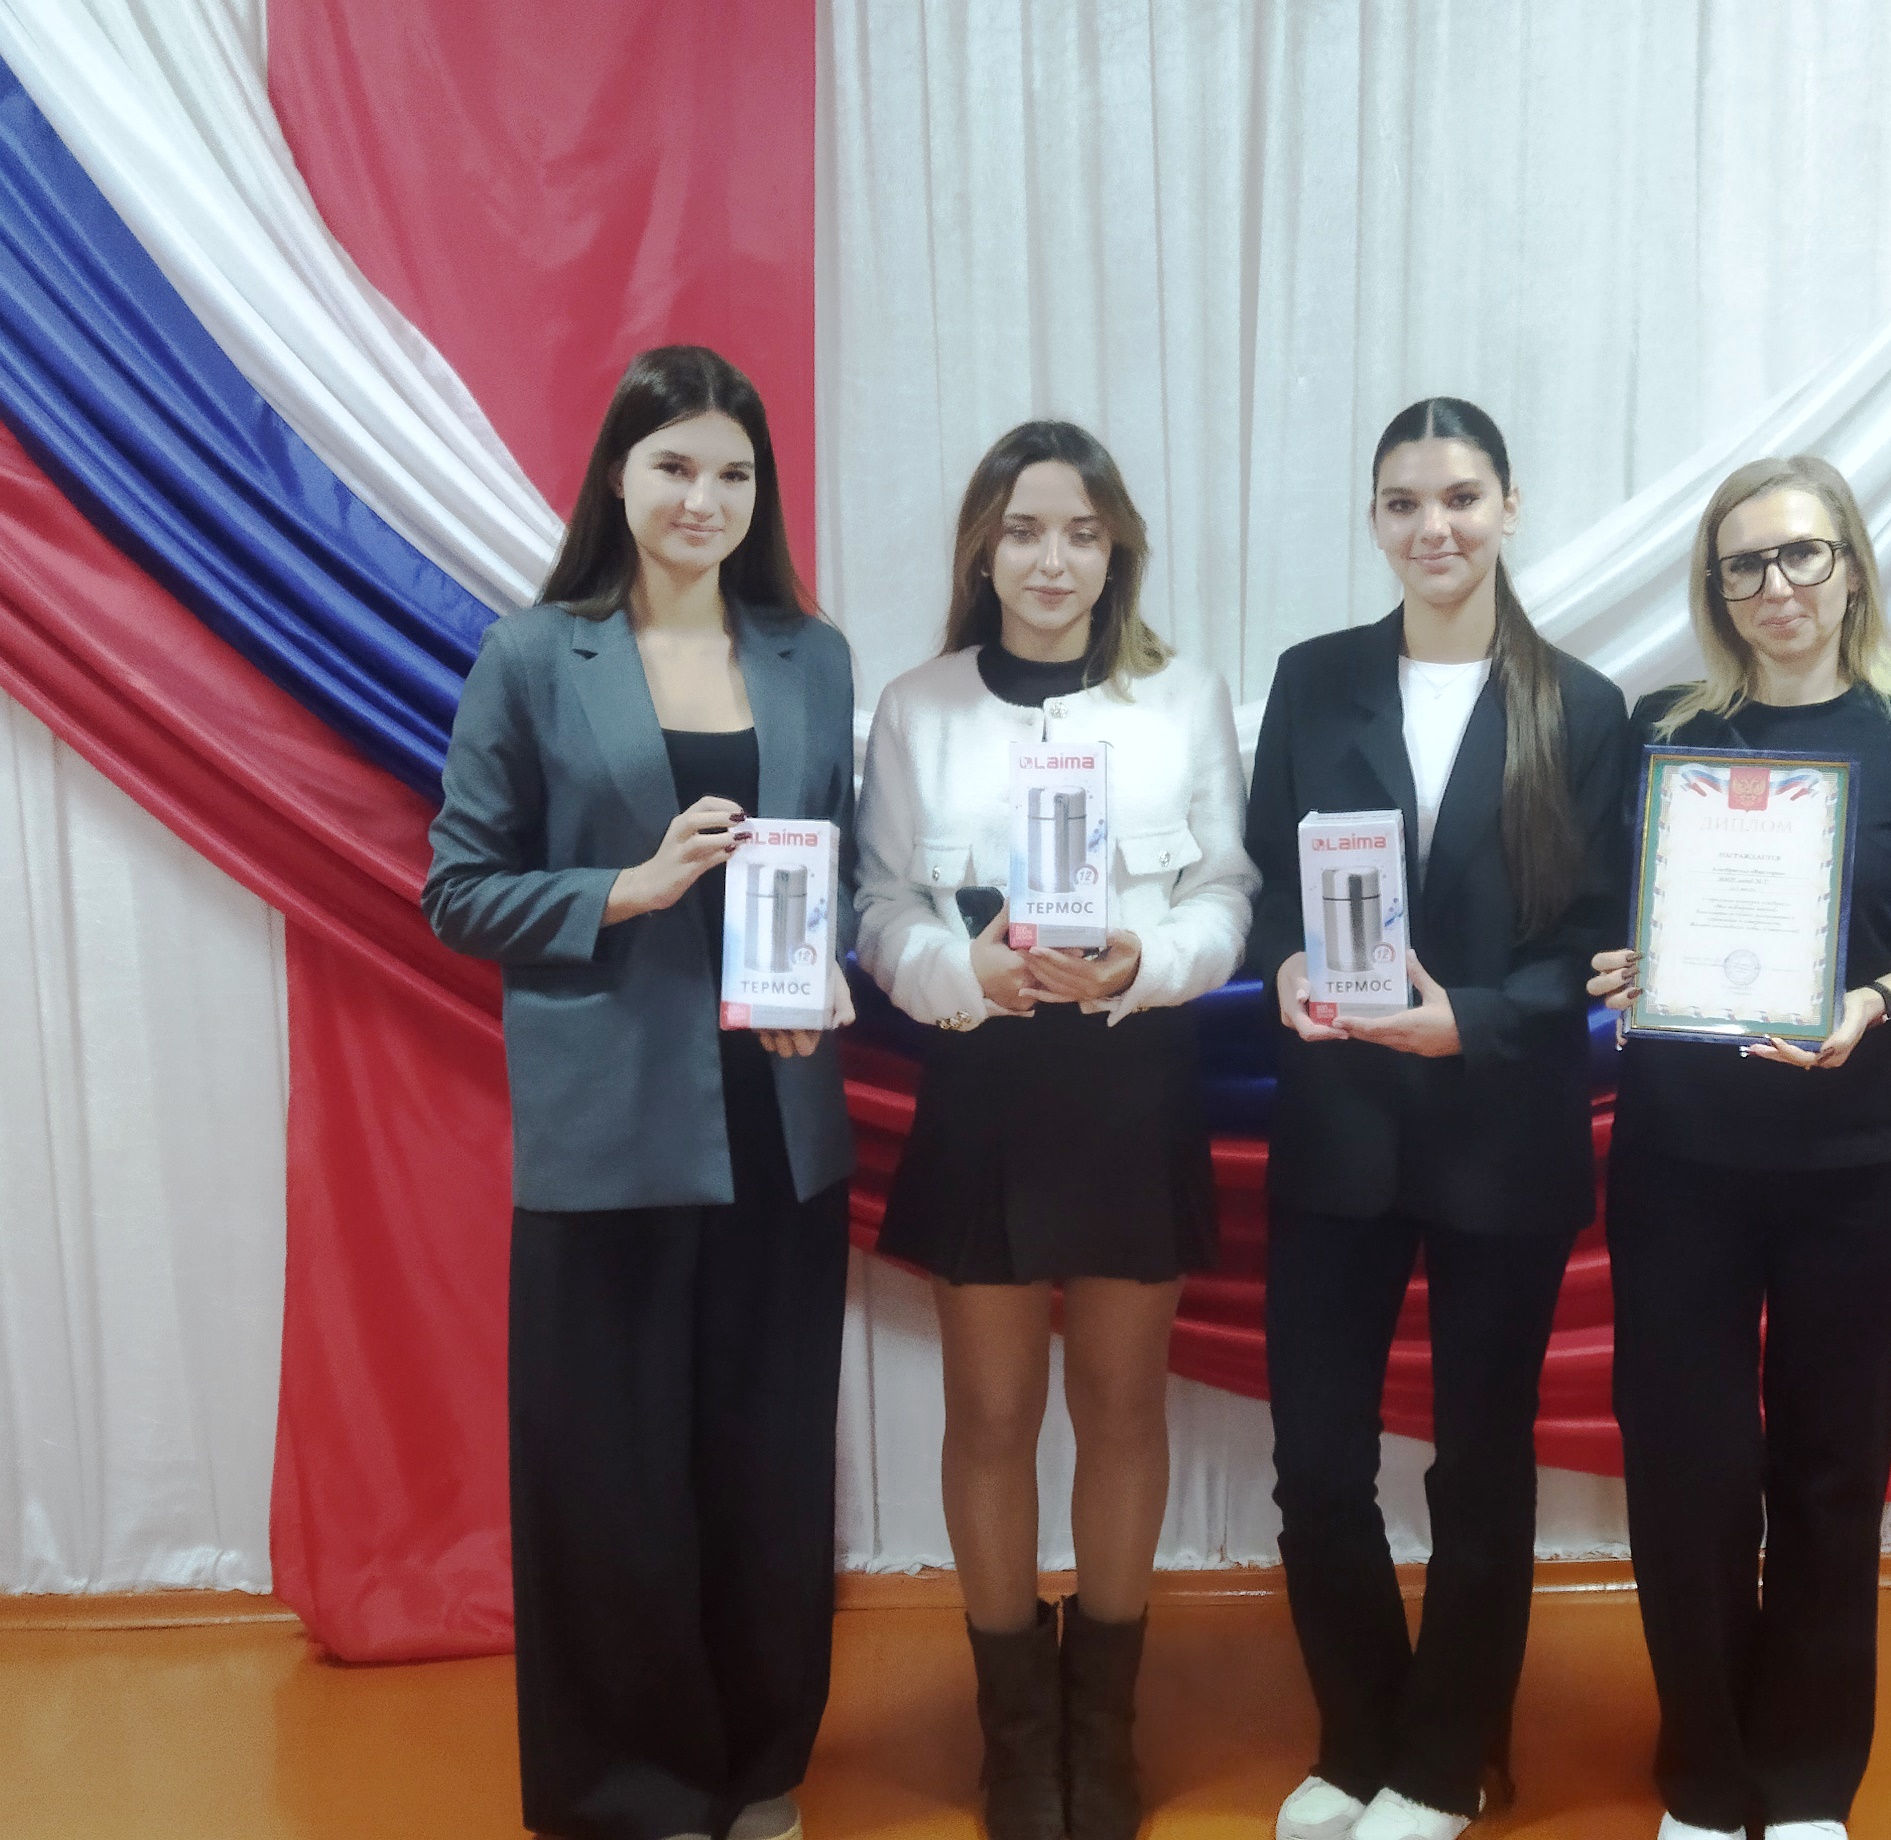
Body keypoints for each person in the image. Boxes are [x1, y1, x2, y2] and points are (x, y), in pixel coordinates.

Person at [423, 346, 858, 1840]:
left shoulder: (810, 655)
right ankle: (633, 1788)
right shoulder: (536, 655)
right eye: (675, 465)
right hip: (610, 1131)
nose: (704, 498)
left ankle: (760, 1765)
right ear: (618, 474)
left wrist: (825, 976)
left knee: (764, 1466)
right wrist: (629, 885)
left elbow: (831, 861)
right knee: (610, 1479)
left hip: (781, 1124)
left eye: (734, 472)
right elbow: (458, 891)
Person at [1588, 456, 1891, 1840]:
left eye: (1799, 554)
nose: (1775, 586)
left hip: (1858, 1170)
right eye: (1744, 564)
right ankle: (1705, 1777)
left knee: (1833, 1478)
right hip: (1679, 1165)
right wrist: (1618, 964)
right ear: (1714, 587)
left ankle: (1804, 1782)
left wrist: (1873, 1000)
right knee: (1688, 1476)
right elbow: (1606, 916)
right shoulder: (1663, 730)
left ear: (1848, 564)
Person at [857, 420, 1257, 1840]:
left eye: (1081, 533)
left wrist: (1151, 960)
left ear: (1116, 549)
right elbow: (878, 905)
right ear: (983, 548)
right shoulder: (916, 707)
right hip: (984, 1081)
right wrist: (958, 971)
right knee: (989, 1414)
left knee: (1122, 1405)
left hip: (1130, 1077)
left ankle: (1104, 1728)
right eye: (1024, 531)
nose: (1051, 560)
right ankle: (1015, 1737)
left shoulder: (1182, 697)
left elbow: (1228, 891)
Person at [1245, 398, 1631, 1840]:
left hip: (1498, 1130)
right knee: (1315, 1463)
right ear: (1374, 521)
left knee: (1478, 1466)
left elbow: (1598, 941)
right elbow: (1267, 885)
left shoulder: (1581, 706)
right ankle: (1358, 1739)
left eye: (1461, 497)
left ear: (1509, 507)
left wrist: (1471, 1017)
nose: (1434, 527)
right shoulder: (1313, 679)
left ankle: (1445, 1760)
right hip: (1337, 1125)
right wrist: (1285, 965)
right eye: (1404, 502)